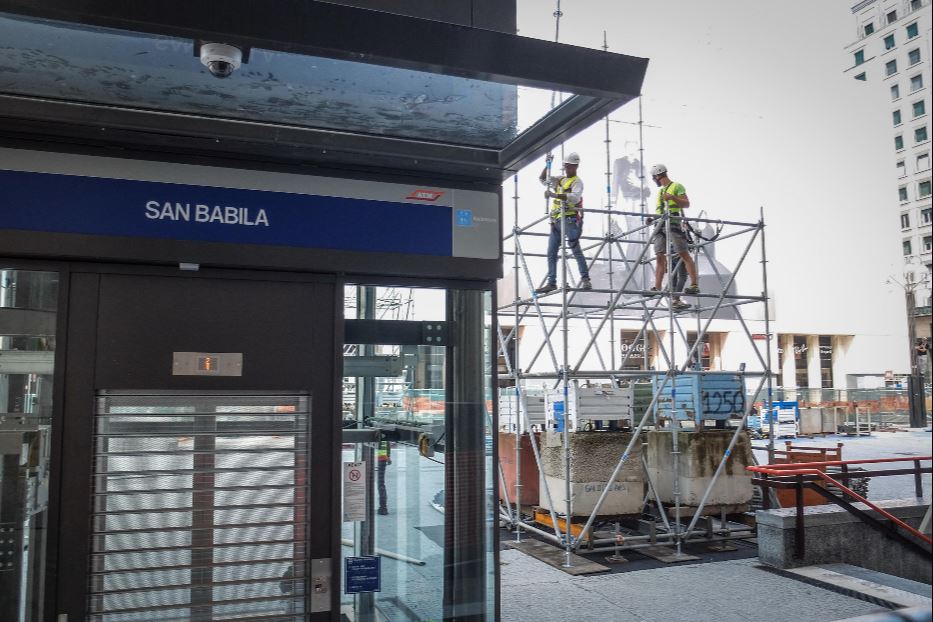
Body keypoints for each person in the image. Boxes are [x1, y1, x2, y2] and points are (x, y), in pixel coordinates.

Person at [535, 152, 592, 294]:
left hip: (569, 220)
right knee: (551, 253)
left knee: (575, 248)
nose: (568, 168)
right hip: (556, 221)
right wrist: (547, 164)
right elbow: (543, 180)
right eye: (566, 166)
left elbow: (574, 198)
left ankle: (585, 279)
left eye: (570, 166)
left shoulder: (577, 182)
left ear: (576, 166)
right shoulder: (560, 180)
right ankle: (551, 282)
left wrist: (554, 195)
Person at [647, 163, 699, 309]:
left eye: (654, 178)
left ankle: (694, 284)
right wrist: (652, 219)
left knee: (683, 254)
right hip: (660, 225)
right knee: (659, 256)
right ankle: (657, 287)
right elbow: (659, 211)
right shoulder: (660, 192)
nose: (654, 180)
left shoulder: (677, 186)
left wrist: (673, 198)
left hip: (674, 224)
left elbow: (686, 204)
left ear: (658, 175)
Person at [376, 438, 391, 515]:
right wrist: (388, 456)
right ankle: (383, 507)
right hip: (381, 457)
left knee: (380, 484)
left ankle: (383, 508)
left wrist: (387, 456)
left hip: (380, 457)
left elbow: (384, 442)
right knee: (381, 484)